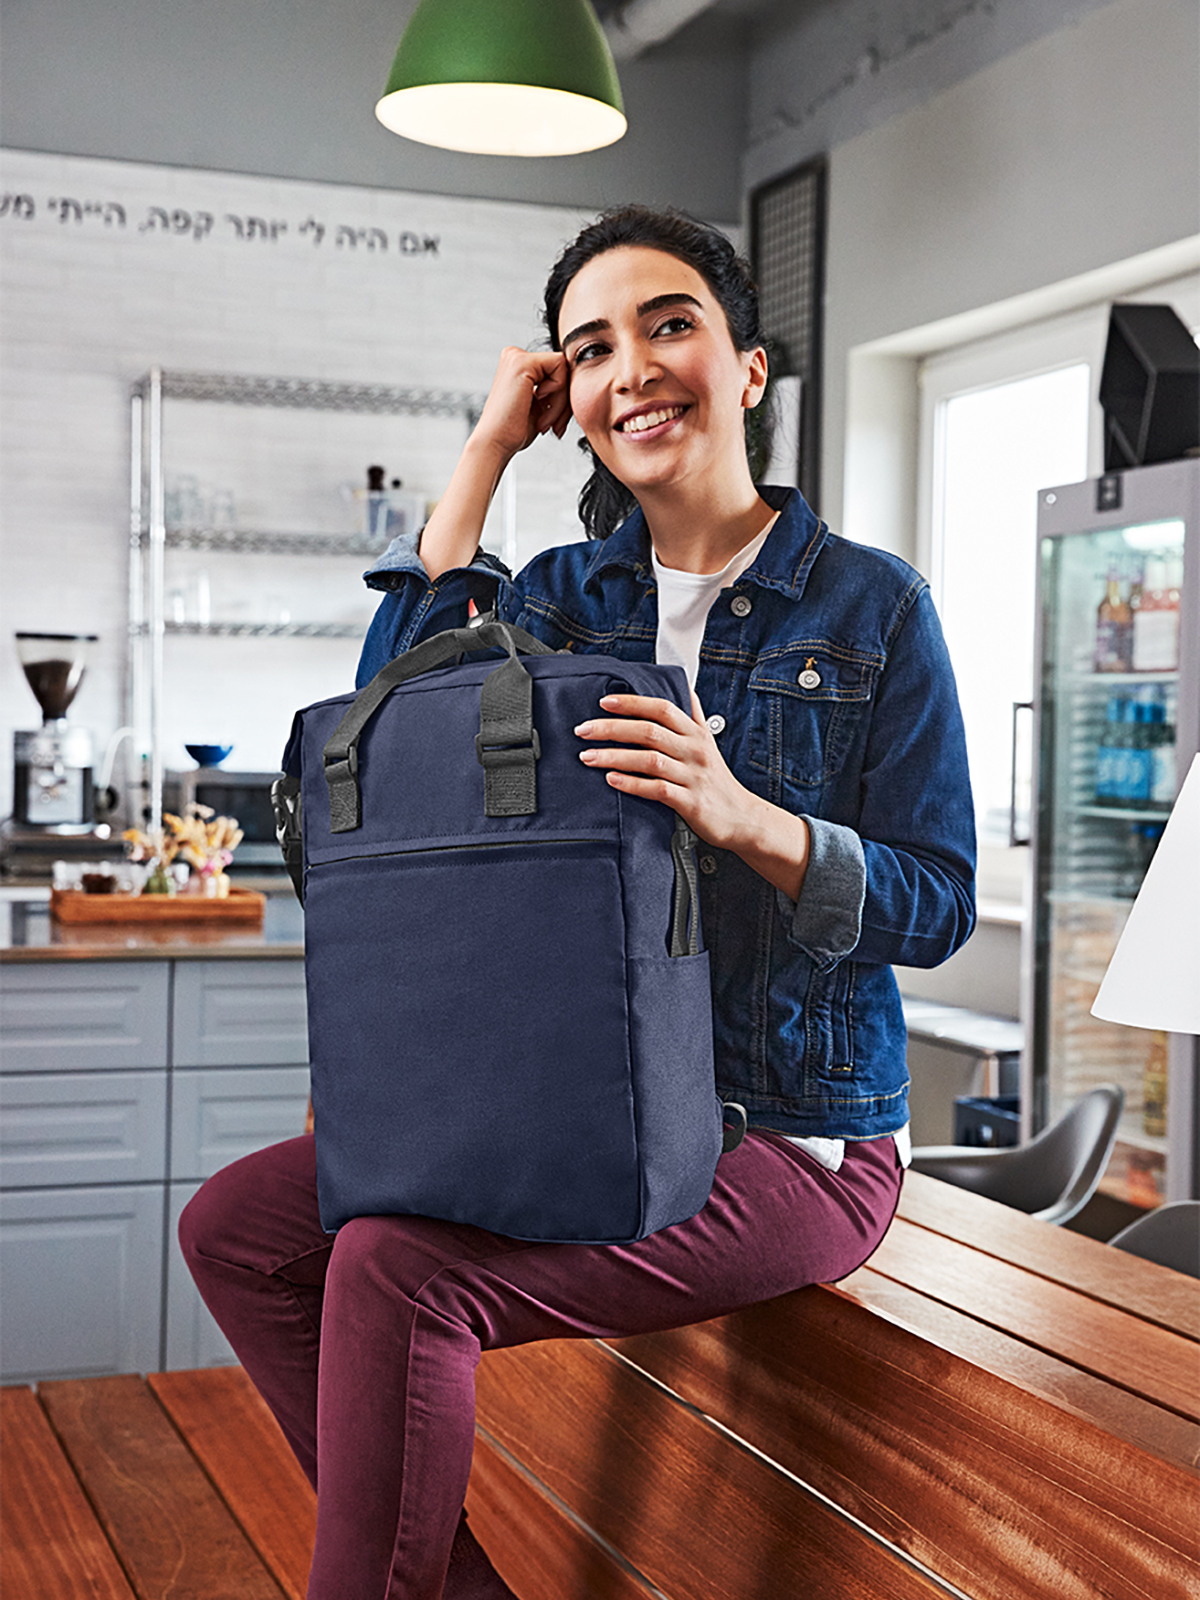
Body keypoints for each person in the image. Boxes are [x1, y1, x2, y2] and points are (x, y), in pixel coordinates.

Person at [180, 205, 976, 1599]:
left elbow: (938, 903)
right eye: (591, 348)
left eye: (670, 325)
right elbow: (391, 728)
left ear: (750, 368)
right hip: (571, 1104)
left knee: (395, 1270)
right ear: (569, 395)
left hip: (788, 1136)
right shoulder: (561, 598)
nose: (633, 369)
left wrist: (743, 816)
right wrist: (487, 449)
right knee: (235, 1231)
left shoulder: (873, 610)